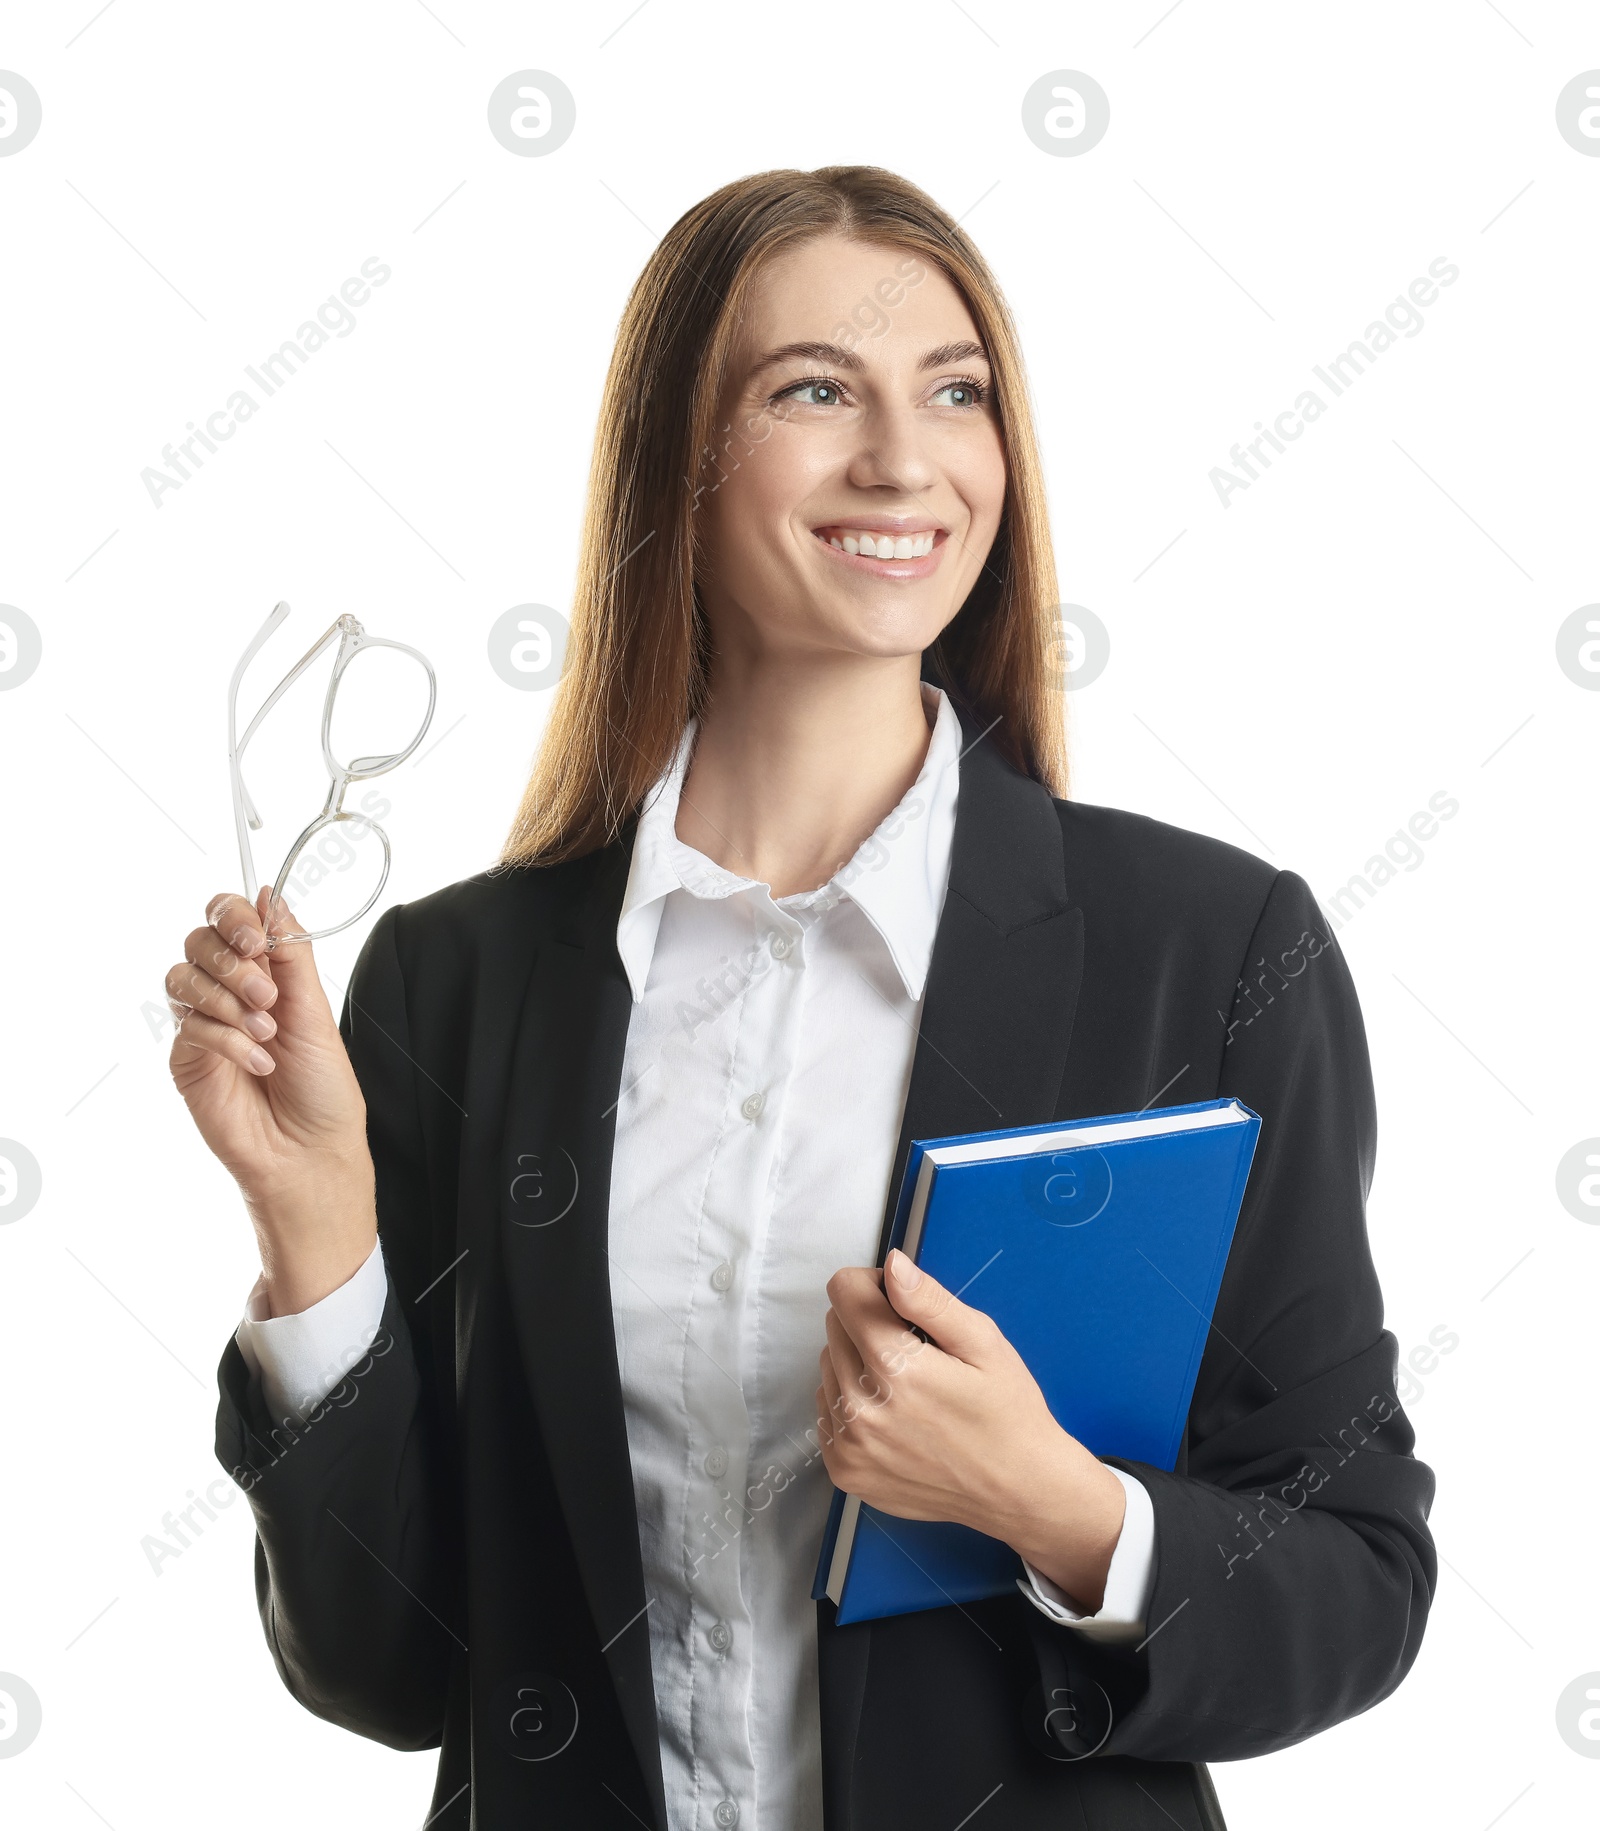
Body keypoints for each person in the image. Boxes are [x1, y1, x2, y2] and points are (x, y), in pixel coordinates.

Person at [167, 166, 1435, 1831]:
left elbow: (1357, 1576)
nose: (904, 460)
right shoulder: (456, 982)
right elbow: (389, 1670)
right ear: (675, 464)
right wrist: (315, 1234)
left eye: (957, 392)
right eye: (815, 390)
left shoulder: (1204, 951)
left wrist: (1056, 1508)